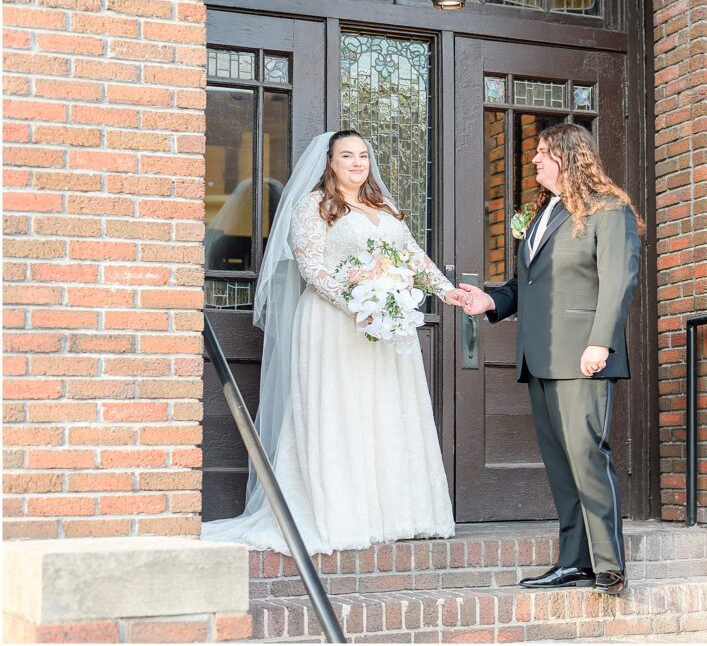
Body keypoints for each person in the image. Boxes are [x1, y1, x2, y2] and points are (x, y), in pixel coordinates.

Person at [202, 130, 467, 553]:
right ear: (330, 161)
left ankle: (396, 513)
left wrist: (445, 290)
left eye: (363, 155)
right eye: (347, 155)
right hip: (334, 322)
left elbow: (413, 256)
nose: (358, 163)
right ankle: (340, 514)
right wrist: (358, 303)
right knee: (340, 408)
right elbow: (311, 266)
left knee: (384, 409)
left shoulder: (385, 207)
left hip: (385, 326)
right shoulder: (313, 206)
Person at [459, 123, 642, 596]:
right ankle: (573, 561)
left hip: (584, 355)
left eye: (543, 153)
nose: (535, 160)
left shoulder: (609, 210)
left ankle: (609, 565)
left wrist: (601, 342)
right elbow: (529, 285)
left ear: (569, 156)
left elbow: (618, 281)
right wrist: (491, 302)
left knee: (587, 456)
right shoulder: (544, 214)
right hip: (540, 357)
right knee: (561, 464)